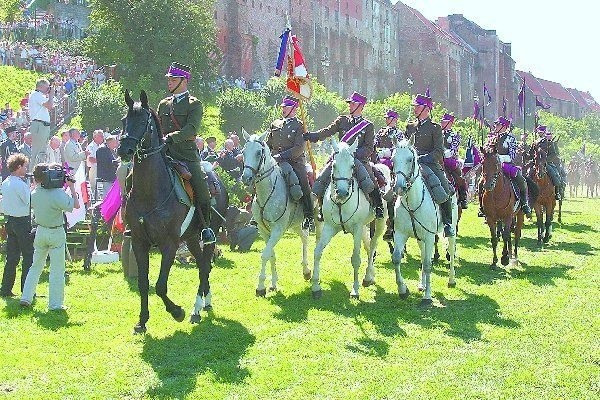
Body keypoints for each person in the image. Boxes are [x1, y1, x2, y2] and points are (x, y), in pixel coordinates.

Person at [157, 62, 214, 244]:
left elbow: (191, 129)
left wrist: (171, 137)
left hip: (186, 155)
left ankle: (205, 229)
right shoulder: (164, 104)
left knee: (202, 192)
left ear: (184, 81)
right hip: (164, 154)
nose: (169, 82)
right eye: (169, 79)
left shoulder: (194, 104)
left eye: (173, 79)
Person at [304, 91, 384, 218]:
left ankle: (378, 206)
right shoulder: (342, 121)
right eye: (350, 104)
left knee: (369, 179)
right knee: (322, 177)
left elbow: (369, 148)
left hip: (358, 159)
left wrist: (352, 155)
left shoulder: (368, 126)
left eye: (353, 104)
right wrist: (313, 135)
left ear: (360, 106)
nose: (350, 106)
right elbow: (327, 131)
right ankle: (321, 207)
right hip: (340, 158)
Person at [20, 163, 80, 310]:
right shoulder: (57, 194)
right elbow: (76, 205)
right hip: (56, 231)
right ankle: (55, 304)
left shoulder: (34, 193)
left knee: (35, 266)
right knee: (57, 270)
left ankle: (26, 297)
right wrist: (71, 187)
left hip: (40, 231)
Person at [405, 93, 455, 236]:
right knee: (395, 186)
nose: (415, 109)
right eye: (414, 106)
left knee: (444, 189)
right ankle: (392, 223)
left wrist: (423, 158)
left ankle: (447, 223)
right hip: (411, 165)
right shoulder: (409, 127)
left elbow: (438, 151)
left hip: (430, 164)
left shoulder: (435, 128)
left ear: (426, 109)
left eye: (418, 106)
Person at [266, 96, 314, 229]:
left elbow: (298, 149)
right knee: (259, 177)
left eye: (286, 107)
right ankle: (256, 212)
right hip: (274, 161)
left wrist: (280, 156)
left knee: (303, 182)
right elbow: (268, 144)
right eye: (283, 107)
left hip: (294, 161)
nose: (283, 109)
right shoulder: (275, 124)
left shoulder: (299, 125)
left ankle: (309, 216)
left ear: (294, 109)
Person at [0, 154, 33, 297]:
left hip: (10, 221)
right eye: (25, 166)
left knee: (12, 257)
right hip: (22, 221)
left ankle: (5, 289)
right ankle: (27, 290)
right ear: (18, 167)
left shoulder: (6, 181)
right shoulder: (20, 184)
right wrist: (31, 188)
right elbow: (28, 201)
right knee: (28, 255)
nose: (26, 169)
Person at [486, 116, 532, 216]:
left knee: (521, 179)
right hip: (493, 166)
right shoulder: (492, 138)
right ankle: (483, 206)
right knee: (482, 180)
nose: (495, 126)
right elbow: (487, 152)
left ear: (504, 127)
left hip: (505, 165)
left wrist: (500, 158)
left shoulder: (510, 139)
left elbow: (512, 155)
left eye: (497, 125)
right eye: (495, 124)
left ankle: (524, 203)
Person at [375, 109, 403, 240]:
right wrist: (378, 151)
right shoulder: (381, 132)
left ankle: (392, 223)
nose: (386, 120)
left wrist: (389, 152)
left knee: (393, 193)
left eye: (389, 118)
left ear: (395, 120)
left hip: (392, 165)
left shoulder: (399, 134)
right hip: (379, 162)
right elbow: (374, 144)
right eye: (386, 118)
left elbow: (400, 149)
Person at [529, 125, 565, 200]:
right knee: (528, 174)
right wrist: (525, 154)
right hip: (536, 163)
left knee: (554, 174)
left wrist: (545, 160)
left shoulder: (549, 142)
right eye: (539, 132)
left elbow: (553, 155)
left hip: (546, 163)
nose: (540, 133)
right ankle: (529, 193)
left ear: (544, 132)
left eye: (541, 132)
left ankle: (557, 192)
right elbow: (531, 154)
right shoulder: (535, 142)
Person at [440, 113, 468, 209]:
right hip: (438, 158)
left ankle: (463, 195)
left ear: (450, 124)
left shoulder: (455, 135)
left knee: (458, 175)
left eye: (444, 122)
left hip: (450, 160)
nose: (442, 124)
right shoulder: (438, 133)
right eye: (442, 122)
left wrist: (447, 153)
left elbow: (454, 149)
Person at [28, 78, 54, 170]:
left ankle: (39, 174)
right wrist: (51, 95)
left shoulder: (39, 96)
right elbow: (50, 106)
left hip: (42, 126)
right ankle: (32, 175)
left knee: (42, 152)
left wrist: (49, 96)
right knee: (37, 152)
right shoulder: (36, 94)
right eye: (47, 88)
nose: (48, 90)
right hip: (39, 125)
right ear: (41, 86)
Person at [85, 129, 105, 195]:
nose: (102, 138)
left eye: (102, 136)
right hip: (94, 168)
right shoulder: (91, 147)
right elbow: (91, 159)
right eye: (100, 136)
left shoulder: (101, 146)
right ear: (95, 137)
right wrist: (103, 161)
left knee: (100, 188)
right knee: (94, 187)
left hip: (100, 168)